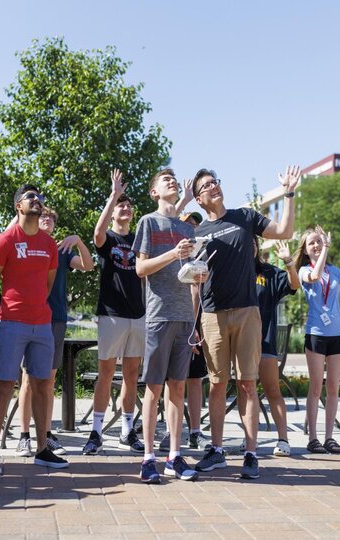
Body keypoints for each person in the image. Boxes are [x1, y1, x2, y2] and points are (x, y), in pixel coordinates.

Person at [192, 166, 300, 480]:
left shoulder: (245, 216)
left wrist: (288, 194)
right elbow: (194, 282)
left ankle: (251, 453)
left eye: (215, 182)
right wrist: (193, 325)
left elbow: (284, 232)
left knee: (247, 384)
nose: (214, 187)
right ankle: (216, 450)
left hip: (246, 312)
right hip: (212, 315)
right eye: (207, 186)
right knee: (215, 384)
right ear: (199, 199)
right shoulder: (197, 234)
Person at [0, 184, 68, 475]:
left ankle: (43, 449)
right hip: (12, 323)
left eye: (39, 197)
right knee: (6, 384)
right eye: (30, 197)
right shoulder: (6, 240)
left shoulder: (49, 243)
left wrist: (35, 307)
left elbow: (47, 283)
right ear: (18, 206)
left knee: (43, 385)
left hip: (42, 324)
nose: (37, 200)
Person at [133, 168, 204, 483]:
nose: (172, 182)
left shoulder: (187, 229)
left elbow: (190, 278)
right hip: (159, 314)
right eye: (165, 180)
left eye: (175, 179)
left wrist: (199, 277)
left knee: (178, 387)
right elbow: (140, 268)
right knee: (154, 387)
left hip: (184, 318)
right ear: (154, 192)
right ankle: (148, 458)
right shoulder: (148, 222)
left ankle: (174, 456)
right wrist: (172, 254)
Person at [16, 206, 94, 457]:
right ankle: (25, 435)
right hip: (31, 318)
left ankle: (46, 434)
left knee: (48, 380)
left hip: (56, 320)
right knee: (28, 379)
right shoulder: (27, 245)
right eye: (43, 216)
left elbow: (88, 265)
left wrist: (79, 241)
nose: (47, 219)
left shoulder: (60, 251)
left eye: (51, 217)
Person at [83, 169, 146, 455]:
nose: (126, 208)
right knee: (106, 372)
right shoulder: (108, 239)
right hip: (111, 314)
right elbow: (96, 234)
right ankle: (96, 432)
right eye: (123, 205)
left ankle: (127, 430)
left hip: (138, 314)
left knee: (132, 374)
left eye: (129, 206)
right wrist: (113, 195)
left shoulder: (138, 242)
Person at [294, 225, 340, 454]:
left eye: (319, 241)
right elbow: (316, 275)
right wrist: (326, 249)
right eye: (312, 243)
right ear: (306, 250)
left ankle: (330, 437)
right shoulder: (302, 271)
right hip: (317, 334)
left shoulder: (336, 272)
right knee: (316, 388)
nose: (317, 245)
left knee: (334, 388)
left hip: (337, 336)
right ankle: (313, 438)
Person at [159, 208, 211, 452]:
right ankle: (171, 432)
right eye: (186, 223)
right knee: (173, 380)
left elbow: (197, 292)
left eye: (194, 225)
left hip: (197, 324)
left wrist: (195, 325)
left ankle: (195, 432)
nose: (190, 228)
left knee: (194, 379)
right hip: (174, 321)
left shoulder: (202, 254)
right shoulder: (171, 254)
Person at [254, 239, 300, 456]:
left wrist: (289, 262)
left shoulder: (268, 272)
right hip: (237, 342)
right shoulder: (233, 270)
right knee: (246, 391)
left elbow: (294, 285)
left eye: (252, 242)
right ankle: (249, 441)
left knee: (272, 389)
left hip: (264, 341)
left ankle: (283, 439)